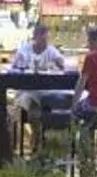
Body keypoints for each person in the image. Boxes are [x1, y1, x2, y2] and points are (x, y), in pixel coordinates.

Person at [9, 19, 74, 153]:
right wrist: (21, 67)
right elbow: (14, 69)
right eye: (42, 40)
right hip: (26, 90)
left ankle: (51, 141)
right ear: (35, 38)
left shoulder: (51, 50)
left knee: (58, 102)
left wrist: (60, 63)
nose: (45, 43)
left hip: (47, 91)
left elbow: (62, 65)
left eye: (46, 40)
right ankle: (37, 138)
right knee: (32, 105)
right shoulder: (24, 50)